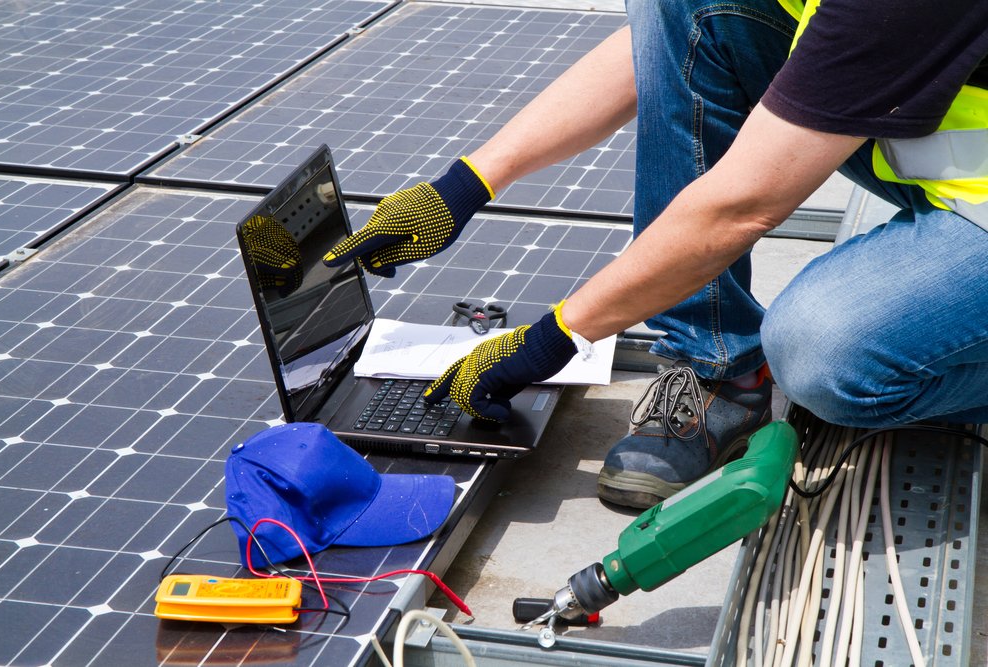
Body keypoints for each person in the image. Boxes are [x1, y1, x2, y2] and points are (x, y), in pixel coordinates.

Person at [324, 0, 988, 509]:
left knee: (822, 349)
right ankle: (716, 372)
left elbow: (742, 205)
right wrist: (464, 186)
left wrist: (552, 337)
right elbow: (672, 42)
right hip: (946, 163)